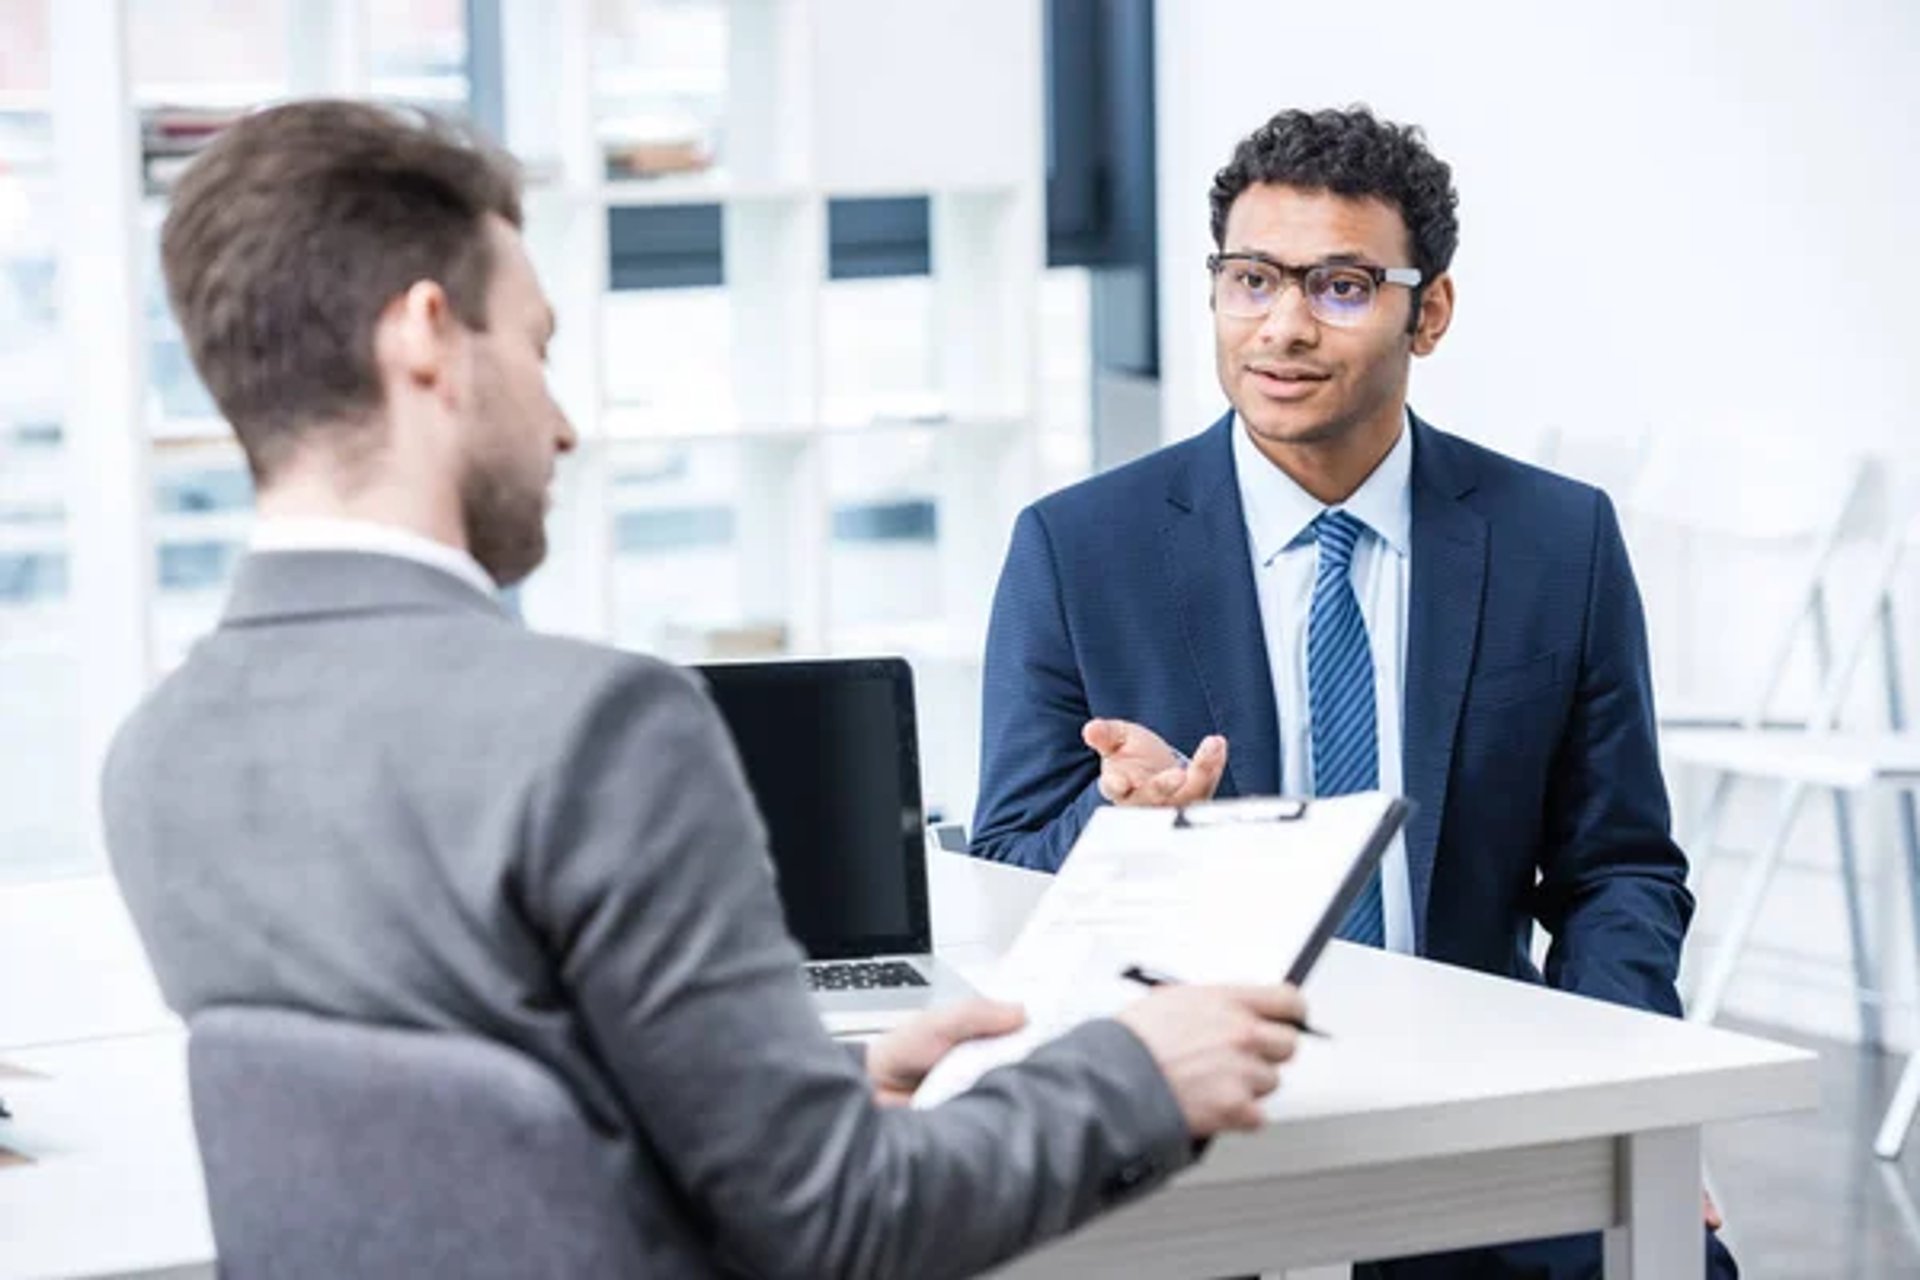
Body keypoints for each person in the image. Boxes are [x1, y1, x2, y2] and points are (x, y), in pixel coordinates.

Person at [101, 100, 1312, 1280]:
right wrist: (1133, 1070)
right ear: (426, 334)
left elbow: (478, 1159)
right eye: (536, 346)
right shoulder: (595, 730)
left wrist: (819, 1100)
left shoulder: (160, 754)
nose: (564, 424)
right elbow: (845, 1225)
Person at [970, 106, 1735, 1278]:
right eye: (1252, 279)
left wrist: (1627, 1097)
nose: (1283, 327)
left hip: (1477, 1098)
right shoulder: (1080, 548)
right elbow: (1004, 870)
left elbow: (1618, 868)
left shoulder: (1555, 539)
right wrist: (1121, 830)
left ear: (1427, 310)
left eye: (1339, 285)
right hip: (1190, 1117)